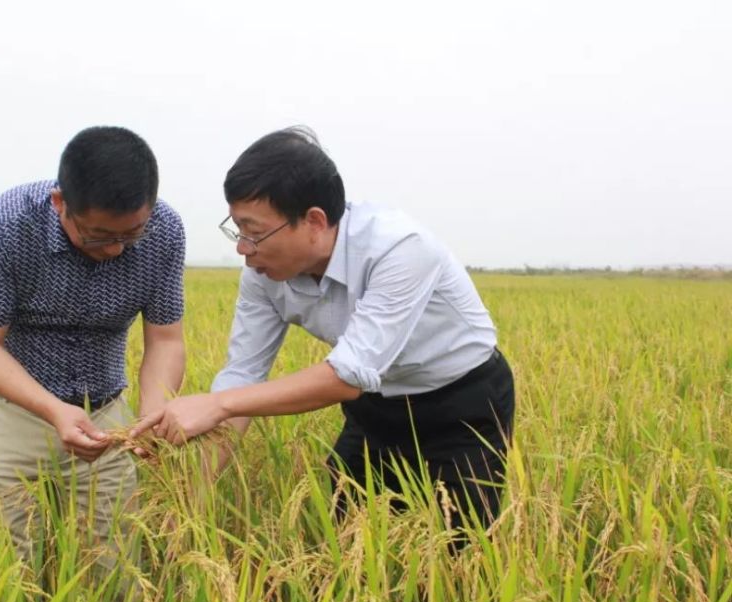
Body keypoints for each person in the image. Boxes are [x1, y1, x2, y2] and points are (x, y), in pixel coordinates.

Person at [133, 127, 513, 538]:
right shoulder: (263, 273)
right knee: (340, 539)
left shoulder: (399, 249)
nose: (243, 248)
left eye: (254, 231)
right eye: (237, 229)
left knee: (459, 551)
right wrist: (196, 491)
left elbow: (347, 375)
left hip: (460, 407)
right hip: (374, 409)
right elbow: (243, 373)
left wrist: (218, 404)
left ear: (314, 220)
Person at [0, 126, 186, 566]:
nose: (117, 250)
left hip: (105, 416)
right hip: (9, 411)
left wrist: (153, 411)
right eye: (99, 236)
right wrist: (53, 410)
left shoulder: (165, 232)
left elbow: (165, 339)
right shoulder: (8, 223)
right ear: (60, 203)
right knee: (2, 569)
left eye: (131, 235)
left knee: (115, 565)